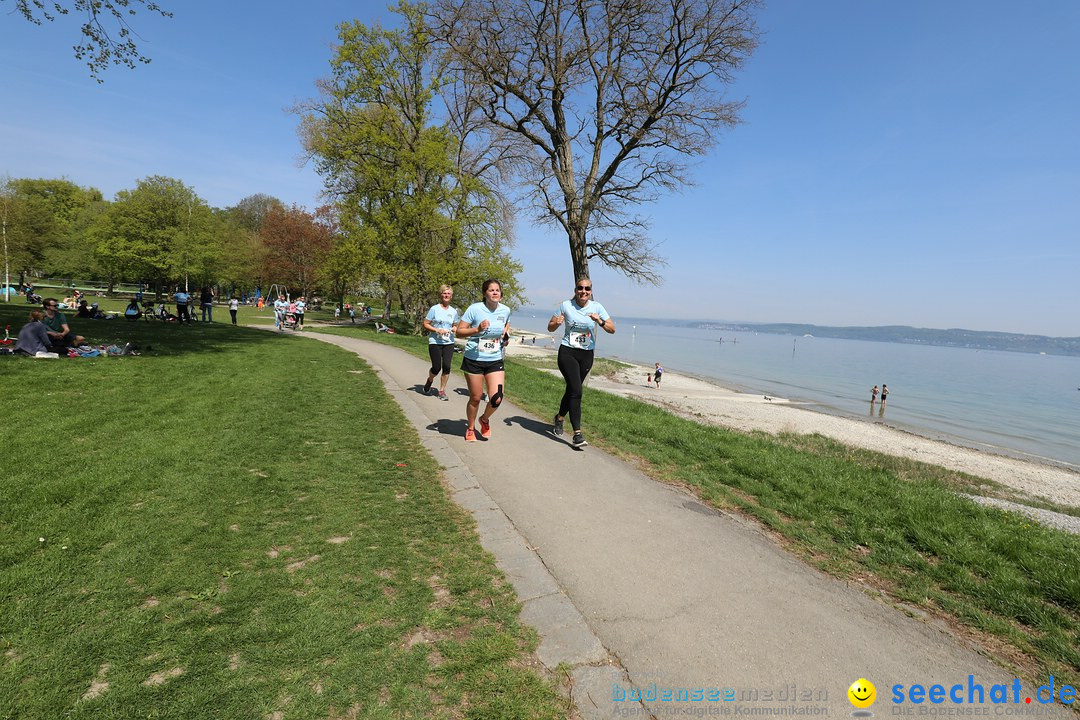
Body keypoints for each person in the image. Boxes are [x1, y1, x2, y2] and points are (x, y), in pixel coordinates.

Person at [547, 277, 615, 448]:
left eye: (587, 289)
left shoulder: (597, 307)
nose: (583, 291)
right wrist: (556, 322)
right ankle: (577, 434)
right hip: (567, 352)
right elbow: (550, 327)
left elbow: (612, 329)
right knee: (577, 390)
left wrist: (599, 321)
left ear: (591, 291)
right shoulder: (565, 306)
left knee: (572, 389)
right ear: (575, 290)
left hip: (586, 354)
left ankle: (560, 418)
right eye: (580, 288)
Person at [456, 279, 511, 442]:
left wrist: (505, 336)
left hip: (495, 359)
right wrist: (477, 329)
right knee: (475, 397)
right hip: (474, 358)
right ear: (484, 293)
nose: (495, 293)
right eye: (491, 290)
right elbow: (459, 332)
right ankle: (471, 427)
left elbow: (506, 324)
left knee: (497, 397)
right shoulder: (474, 309)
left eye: (498, 290)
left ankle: (484, 419)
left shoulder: (505, 310)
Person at [422, 285, 459, 401]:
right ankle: (430, 380)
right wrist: (437, 330)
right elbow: (426, 323)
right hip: (435, 341)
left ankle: (442, 391)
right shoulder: (434, 309)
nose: (446, 295)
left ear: (451, 296)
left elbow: (455, 325)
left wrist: (454, 328)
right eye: (444, 293)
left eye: (448, 294)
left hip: (449, 342)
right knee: (436, 367)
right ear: (440, 295)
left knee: (447, 366)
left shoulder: (453, 311)